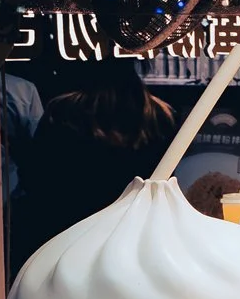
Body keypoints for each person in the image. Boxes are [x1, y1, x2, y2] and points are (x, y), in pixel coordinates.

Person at [10, 61, 176, 273]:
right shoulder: (161, 116)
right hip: (134, 235)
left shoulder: (63, 112)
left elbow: (35, 177)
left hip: (66, 235)